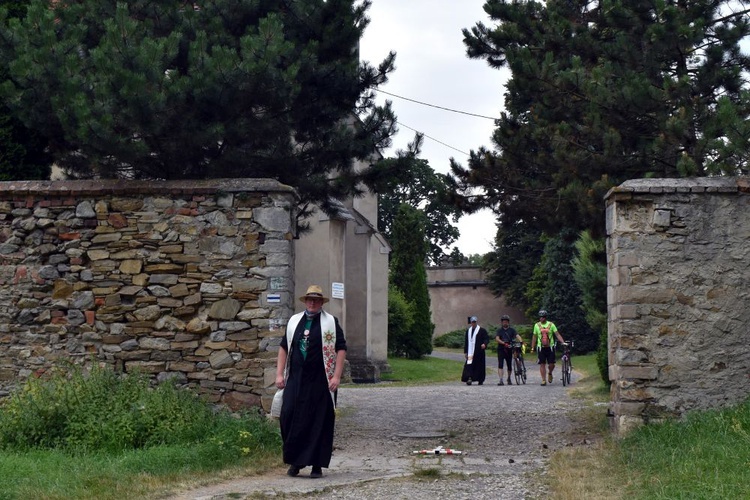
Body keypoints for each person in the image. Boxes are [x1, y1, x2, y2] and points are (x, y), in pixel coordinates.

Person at [275, 285, 347, 479]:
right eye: (310, 299)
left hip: (321, 380)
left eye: (316, 300)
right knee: (289, 415)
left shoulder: (330, 322)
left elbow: (341, 348)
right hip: (296, 379)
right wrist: (279, 374)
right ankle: (295, 462)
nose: (313, 302)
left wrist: (336, 376)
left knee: (319, 420)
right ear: (305, 301)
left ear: (321, 302)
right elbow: (284, 347)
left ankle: (316, 465)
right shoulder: (294, 321)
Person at [530, 309, 565, 386]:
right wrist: (532, 347)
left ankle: (550, 373)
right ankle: (543, 380)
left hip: (550, 347)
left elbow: (557, 334)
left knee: (551, 364)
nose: (541, 318)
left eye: (542, 317)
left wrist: (563, 342)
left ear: (545, 317)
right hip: (541, 347)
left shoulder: (551, 325)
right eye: (540, 317)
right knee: (542, 364)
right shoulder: (536, 325)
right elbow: (534, 337)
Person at [495, 314, 523, 385]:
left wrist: (521, 341)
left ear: (508, 322)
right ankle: (501, 380)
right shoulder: (499, 330)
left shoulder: (512, 330)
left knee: (509, 365)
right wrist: (503, 343)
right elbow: (497, 338)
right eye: (504, 321)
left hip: (509, 349)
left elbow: (517, 335)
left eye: (506, 321)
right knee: (500, 364)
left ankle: (509, 378)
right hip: (501, 349)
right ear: (502, 322)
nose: (505, 323)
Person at [462, 316, 489, 385]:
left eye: (474, 322)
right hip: (470, 352)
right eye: (472, 322)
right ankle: (469, 378)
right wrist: (465, 351)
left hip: (479, 352)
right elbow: (466, 342)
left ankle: (480, 379)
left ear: (476, 322)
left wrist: (484, 344)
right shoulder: (468, 331)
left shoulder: (482, 330)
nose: (473, 323)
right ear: (470, 323)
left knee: (480, 366)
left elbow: (486, 339)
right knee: (469, 365)